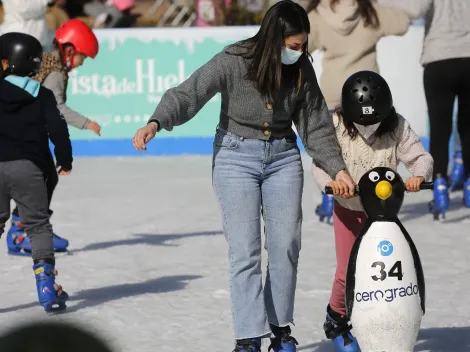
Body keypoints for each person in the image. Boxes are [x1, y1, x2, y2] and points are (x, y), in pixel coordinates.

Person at [133, 1, 355, 350]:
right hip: (235, 158)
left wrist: (337, 167)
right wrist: (156, 121)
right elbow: (190, 92)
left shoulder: (301, 71)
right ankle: (249, 337)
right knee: (245, 251)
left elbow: (315, 125)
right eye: (294, 46)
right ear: (273, 40)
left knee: (286, 245)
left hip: (283, 157)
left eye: (303, 46)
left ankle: (280, 330)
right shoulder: (234, 61)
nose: (300, 53)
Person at [311, 70, 433, 352]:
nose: (368, 130)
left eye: (375, 122)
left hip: (383, 215)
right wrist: (333, 184)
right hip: (349, 210)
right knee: (346, 271)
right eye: (361, 123)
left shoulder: (398, 126)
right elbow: (320, 164)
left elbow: (420, 158)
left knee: (391, 270)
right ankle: (337, 318)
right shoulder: (336, 126)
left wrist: (418, 175)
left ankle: (387, 317)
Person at [305, 0, 410, 221]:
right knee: (367, 153)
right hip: (369, 95)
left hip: (334, 94)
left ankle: (330, 196)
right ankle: (371, 198)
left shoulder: (319, 15)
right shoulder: (370, 12)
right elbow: (403, 23)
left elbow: (303, 46)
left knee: (332, 149)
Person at [6, 18, 101, 255]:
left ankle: (23, 228)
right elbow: (57, 109)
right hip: (26, 135)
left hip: (17, 130)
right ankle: (22, 231)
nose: (81, 63)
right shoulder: (56, 73)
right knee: (44, 177)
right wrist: (87, 123)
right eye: (82, 57)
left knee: (45, 176)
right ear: (69, 50)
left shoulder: (46, 62)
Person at [377, 0, 470, 215]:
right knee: (468, 128)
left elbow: (416, 8)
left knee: (440, 129)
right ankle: (468, 186)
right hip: (468, 59)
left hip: (438, 60)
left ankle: (439, 187)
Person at [0, 32, 71, 312]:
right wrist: (64, 159)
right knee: (38, 226)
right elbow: (58, 130)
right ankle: (46, 286)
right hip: (28, 168)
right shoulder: (42, 95)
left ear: (5, 63)